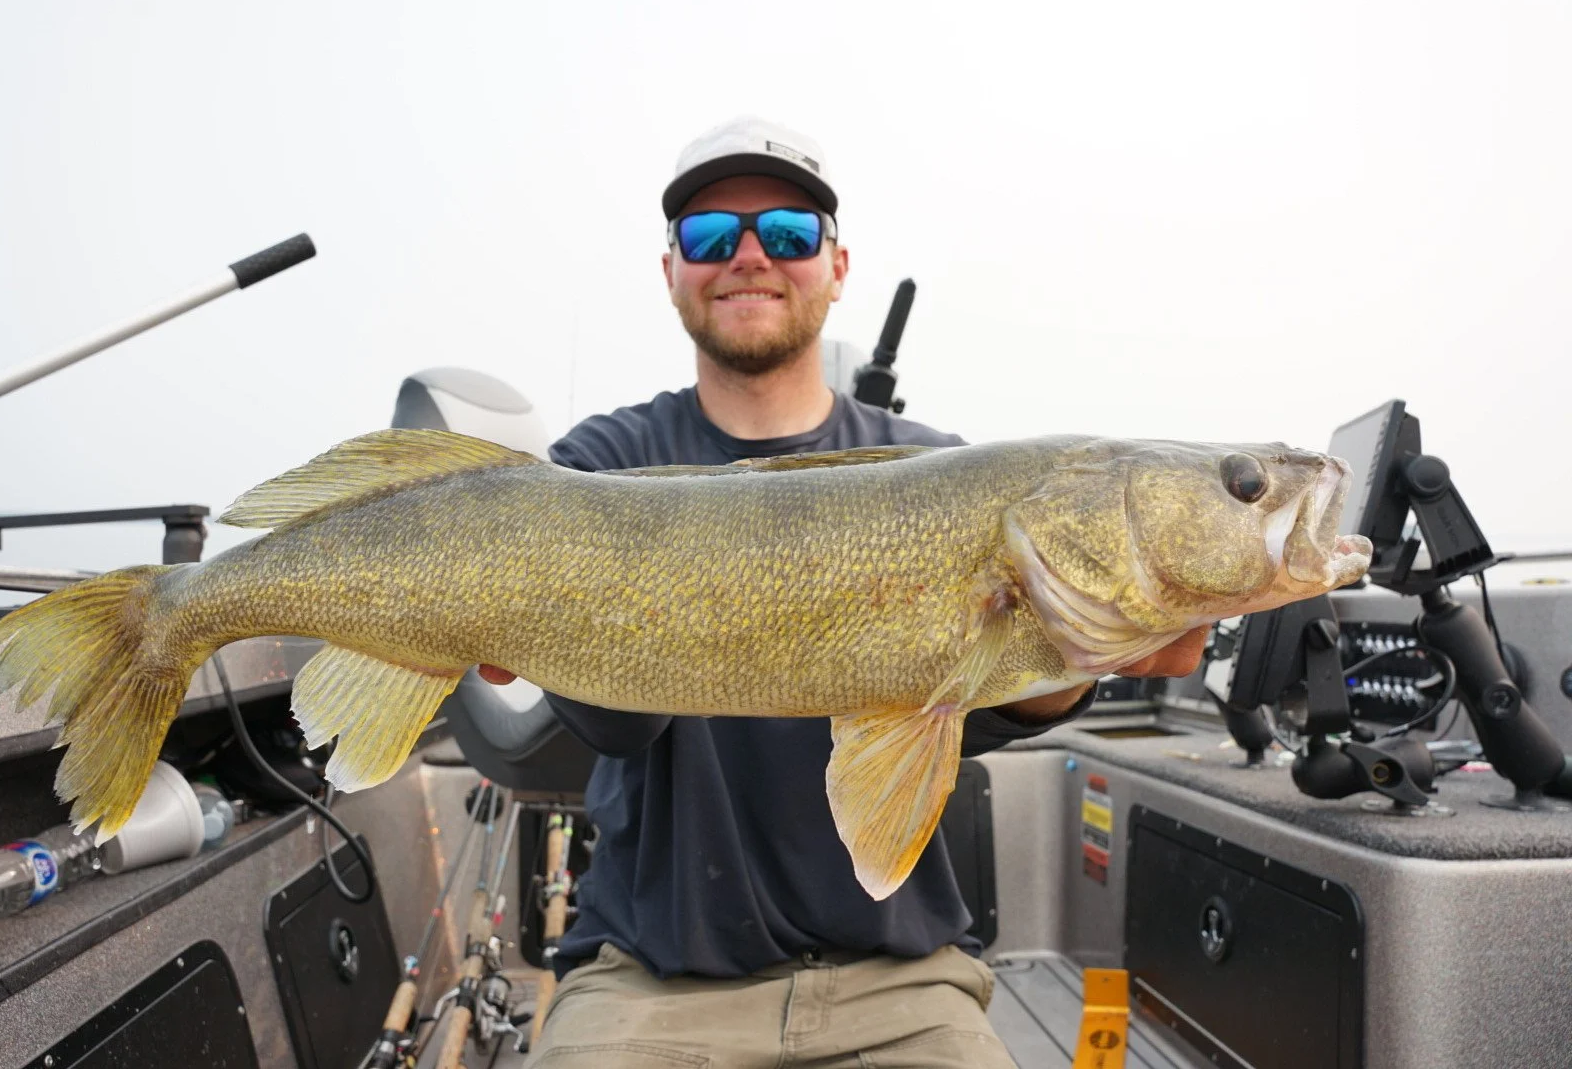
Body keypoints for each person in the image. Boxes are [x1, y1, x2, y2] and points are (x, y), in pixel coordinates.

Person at [479, 116, 1208, 1068]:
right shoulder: (603, 465)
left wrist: (1075, 658)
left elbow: (977, 715)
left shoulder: (935, 468)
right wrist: (526, 627)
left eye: (786, 232)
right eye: (709, 237)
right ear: (671, 273)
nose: (748, 257)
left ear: (835, 263)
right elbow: (615, 729)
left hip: (903, 983)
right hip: (652, 981)